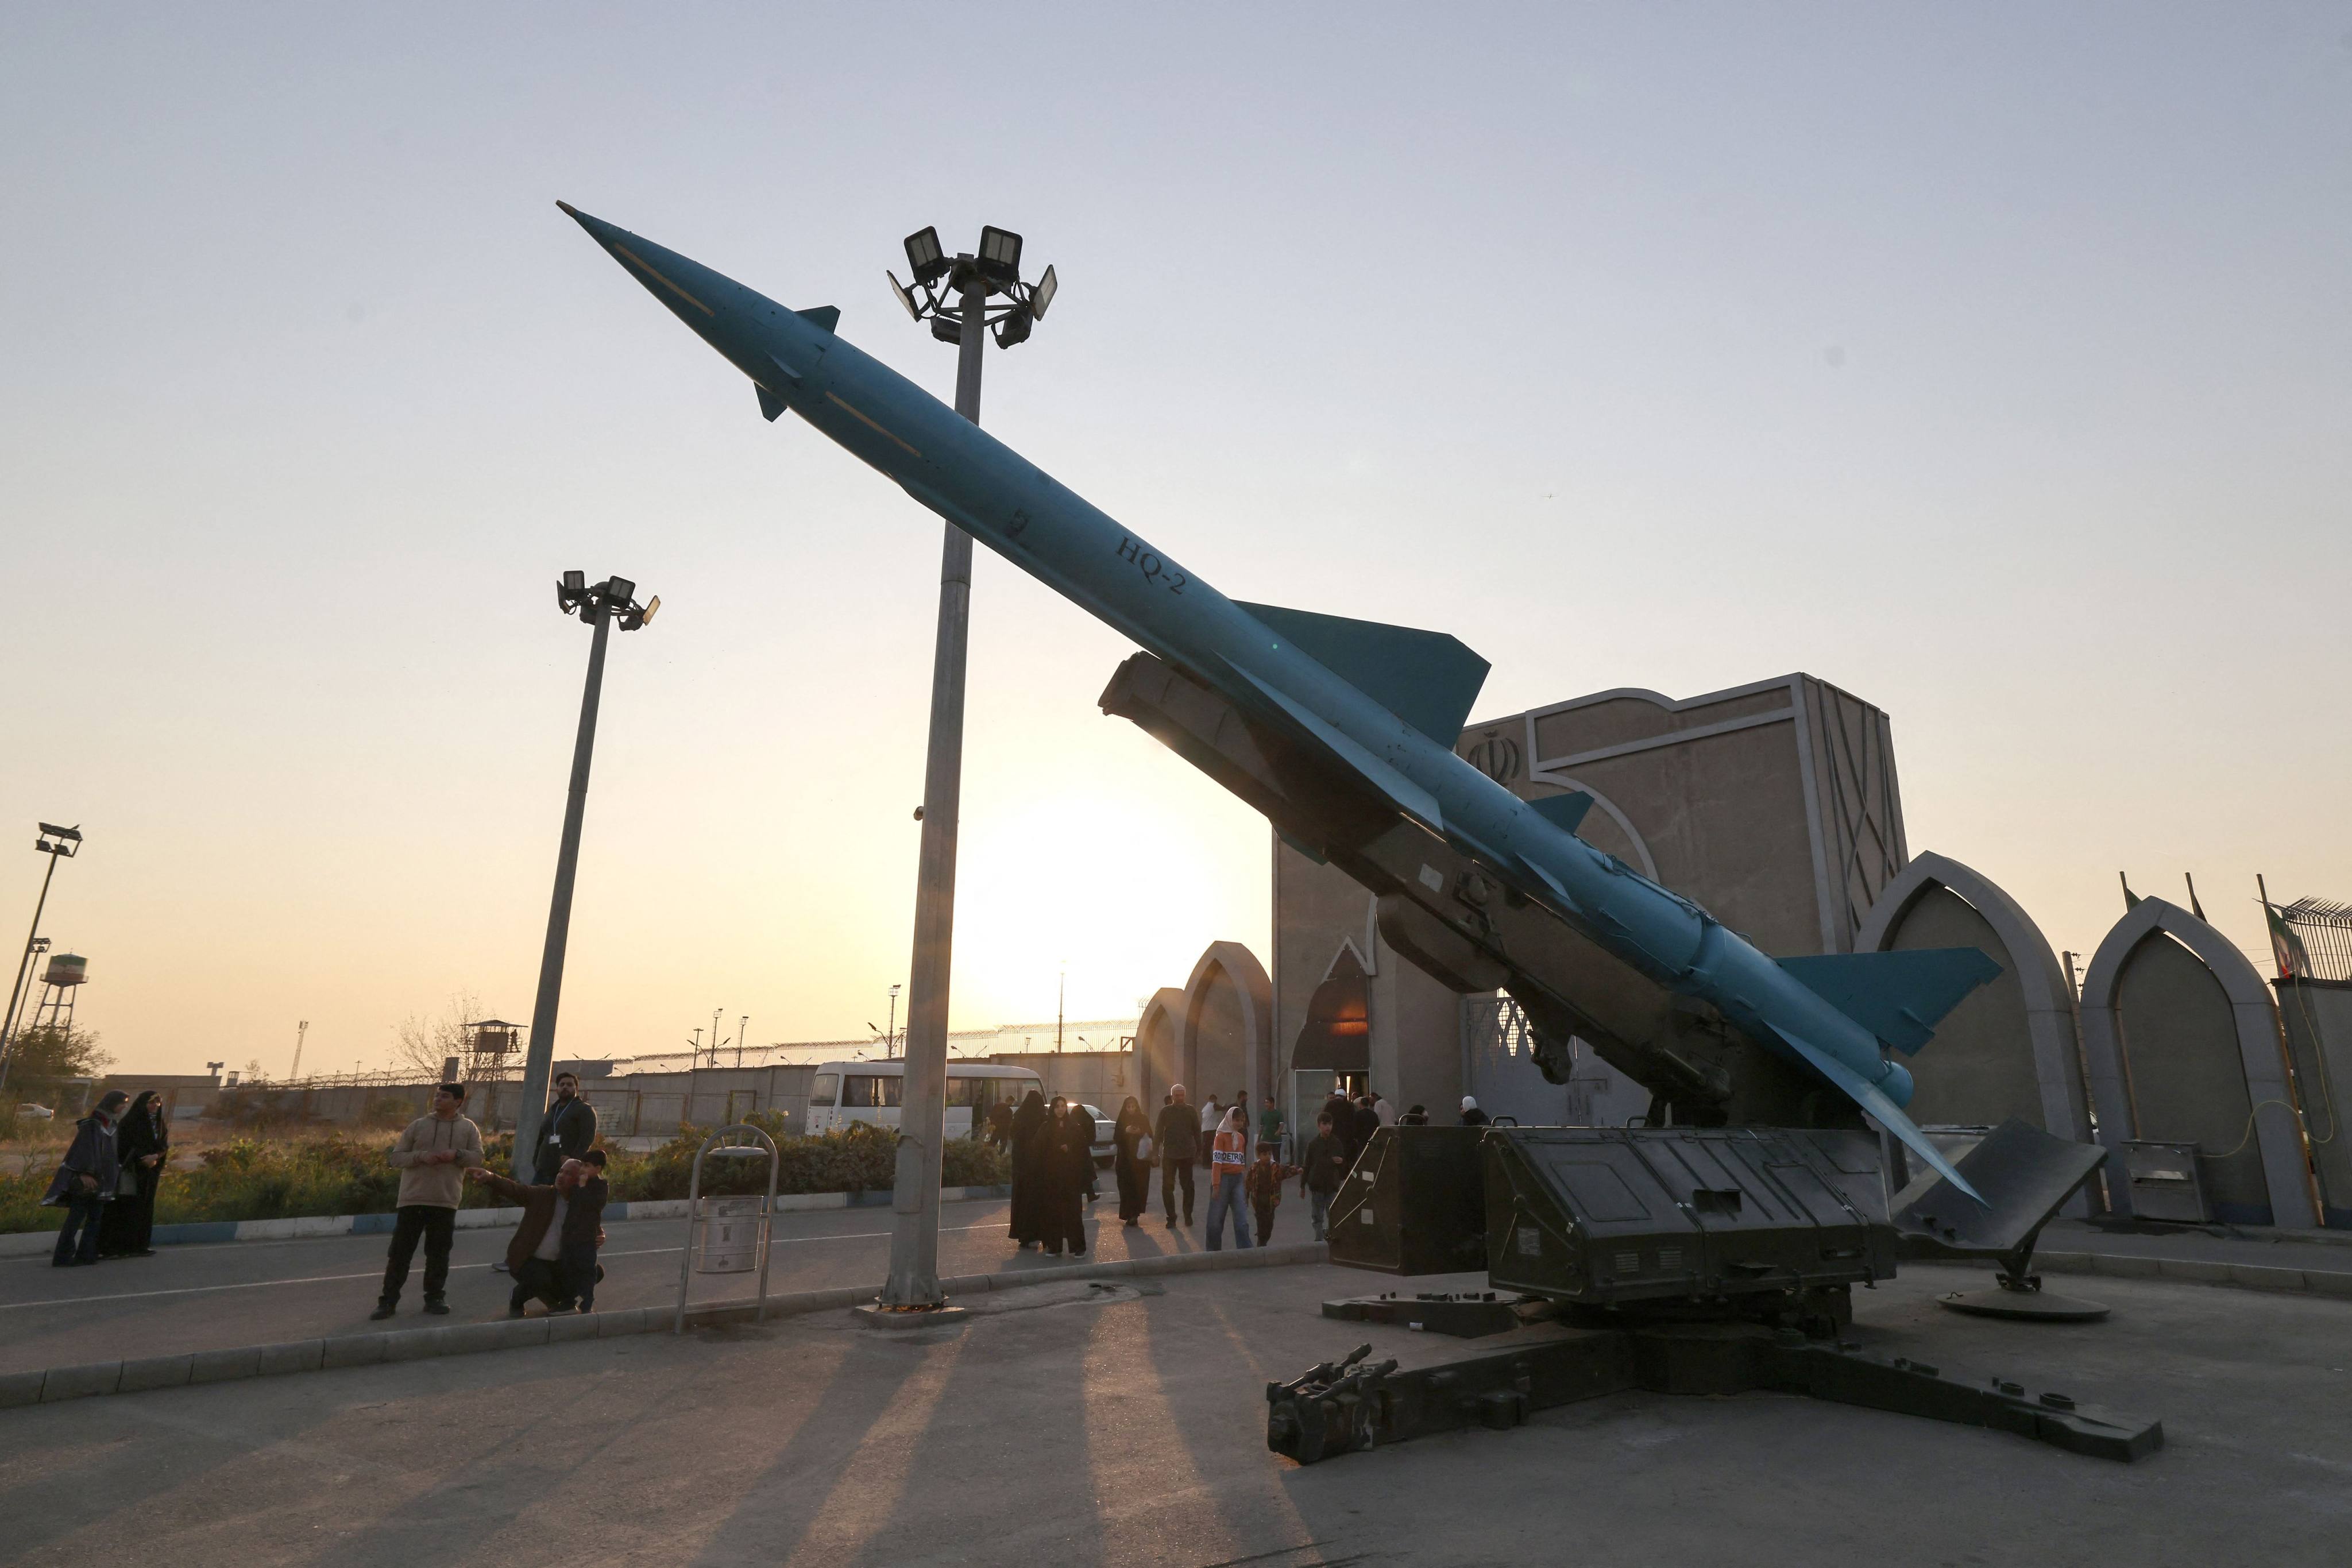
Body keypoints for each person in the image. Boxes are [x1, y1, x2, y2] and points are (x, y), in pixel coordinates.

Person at [373, 1082, 484, 1319]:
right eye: (437, 1096)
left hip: (445, 1200)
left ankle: (435, 1298)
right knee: (400, 1253)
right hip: (413, 1199)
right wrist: (422, 1157)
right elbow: (396, 1158)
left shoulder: (468, 1128)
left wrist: (457, 1155)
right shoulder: (418, 1126)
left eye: (445, 1097)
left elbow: (478, 1157)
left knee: (438, 1254)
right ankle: (388, 1302)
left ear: (458, 1102)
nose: (438, 1100)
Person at [468, 1157, 607, 1315]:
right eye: (561, 1171)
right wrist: (490, 1177)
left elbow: (591, 1224)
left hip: (560, 1262)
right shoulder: (542, 1194)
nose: (561, 1176)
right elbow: (516, 1190)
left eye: (568, 1174)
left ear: (579, 1180)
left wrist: (601, 1235)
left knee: (595, 1271)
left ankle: (562, 1300)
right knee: (540, 1279)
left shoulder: (581, 1204)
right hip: (529, 1261)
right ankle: (519, 1298)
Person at [41, 1090, 128, 1267]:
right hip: (87, 1181)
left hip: (103, 1182)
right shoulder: (93, 1124)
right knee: (76, 1218)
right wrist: (84, 1173)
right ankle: (63, 1257)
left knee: (95, 1218)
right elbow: (82, 1150)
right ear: (112, 1103)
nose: (123, 1107)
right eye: (121, 1103)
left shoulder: (111, 1124)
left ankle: (86, 1254)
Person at [97, 1090, 168, 1259]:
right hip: (132, 1172)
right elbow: (124, 1147)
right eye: (151, 1103)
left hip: (150, 1172)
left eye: (157, 1103)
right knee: (127, 1208)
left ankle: (139, 1245)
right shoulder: (131, 1122)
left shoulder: (159, 1123)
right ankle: (116, 1247)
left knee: (145, 1207)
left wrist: (156, 1157)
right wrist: (141, 1159)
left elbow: (164, 1145)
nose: (154, 1106)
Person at [531, 1071, 598, 1184]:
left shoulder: (583, 1110)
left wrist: (573, 1159)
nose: (565, 1087)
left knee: (558, 1202)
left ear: (576, 1088)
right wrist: (536, 1159)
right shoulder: (552, 1110)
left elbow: (587, 1139)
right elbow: (542, 1137)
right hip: (542, 1170)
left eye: (569, 1085)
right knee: (534, 1201)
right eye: (562, 1085)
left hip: (565, 1172)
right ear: (557, 1089)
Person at [1044, 1099, 1092, 1257]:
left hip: (1071, 1177)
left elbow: (1082, 1148)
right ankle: (1055, 1246)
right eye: (1057, 1107)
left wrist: (1069, 1148)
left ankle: (1078, 1247)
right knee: (1054, 1212)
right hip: (1053, 1177)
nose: (1060, 1109)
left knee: (1073, 1212)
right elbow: (1039, 1149)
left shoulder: (1074, 1127)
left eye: (1063, 1106)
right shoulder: (1047, 1127)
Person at [1204, 1105, 1253, 1250]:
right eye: (1236, 1120)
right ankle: (1213, 1253)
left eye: (1241, 1120)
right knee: (1215, 1220)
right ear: (1229, 1120)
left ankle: (1246, 1251)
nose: (1239, 1123)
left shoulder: (1241, 1138)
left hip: (1238, 1180)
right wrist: (1216, 1185)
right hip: (1223, 1180)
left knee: (1242, 1219)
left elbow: (1241, 1162)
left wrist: (1245, 1183)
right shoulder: (1220, 1137)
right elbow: (1217, 1163)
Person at [1007, 1090, 1052, 1248]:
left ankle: (1024, 1235)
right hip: (1038, 1170)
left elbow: (1015, 1143)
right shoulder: (1042, 1119)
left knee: (1022, 1202)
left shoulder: (1019, 1118)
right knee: (1037, 1203)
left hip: (1021, 1170)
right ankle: (1037, 1233)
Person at [1154, 1084, 1200, 1227]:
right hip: (1170, 1155)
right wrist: (1155, 1153)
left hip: (1187, 1155)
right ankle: (1171, 1217)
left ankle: (1188, 1215)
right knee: (1167, 1187)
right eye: (1177, 1095)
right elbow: (1158, 1132)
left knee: (1188, 1187)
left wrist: (1199, 1151)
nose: (1180, 1097)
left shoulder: (1191, 1111)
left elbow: (1197, 1131)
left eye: (1182, 1095)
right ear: (1172, 1096)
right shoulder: (1165, 1112)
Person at [1299, 1112, 1349, 1242]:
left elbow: (1343, 1163)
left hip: (1332, 1184)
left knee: (1333, 1213)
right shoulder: (1314, 1144)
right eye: (1325, 1124)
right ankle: (1319, 1238)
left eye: (1330, 1124)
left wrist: (1341, 1163)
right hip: (1317, 1184)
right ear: (1319, 1126)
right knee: (1317, 1215)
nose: (1328, 1127)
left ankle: (1332, 1237)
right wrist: (1302, 1186)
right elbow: (1309, 1165)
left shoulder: (1336, 1143)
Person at [1245, 1140, 1301, 1246]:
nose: (1267, 1157)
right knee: (1261, 1223)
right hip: (1258, 1202)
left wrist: (1297, 1170)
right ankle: (1261, 1244)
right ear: (1258, 1155)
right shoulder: (1254, 1168)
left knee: (1269, 1224)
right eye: (1264, 1154)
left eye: (1269, 1154)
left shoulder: (1275, 1167)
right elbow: (1248, 1184)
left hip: (1271, 1201)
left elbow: (1286, 1171)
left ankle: (1263, 1239)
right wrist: (1246, 1197)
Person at [1111, 1096, 1152, 1227]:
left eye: (1133, 1107)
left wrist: (1140, 1132)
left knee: (1138, 1187)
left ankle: (1134, 1215)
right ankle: (1127, 1214)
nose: (1131, 1109)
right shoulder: (1122, 1120)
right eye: (1128, 1107)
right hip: (1124, 1161)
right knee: (1125, 1187)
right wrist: (1125, 1132)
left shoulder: (1143, 1118)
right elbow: (1116, 1138)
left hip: (1140, 1161)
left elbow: (1150, 1134)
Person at [1257, 1093, 1285, 1159]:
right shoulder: (1264, 1114)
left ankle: (1277, 1169)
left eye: (1267, 1103)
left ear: (1272, 1103)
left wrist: (1278, 1131)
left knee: (1276, 1157)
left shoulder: (1278, 1114)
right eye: (1265, 1103)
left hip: (1276, 1140)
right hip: (1266, 1139)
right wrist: (1259, 1138)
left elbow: (1282, 1124)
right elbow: (1261, 1127)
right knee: (1264, 1157)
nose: (1266, 1104)